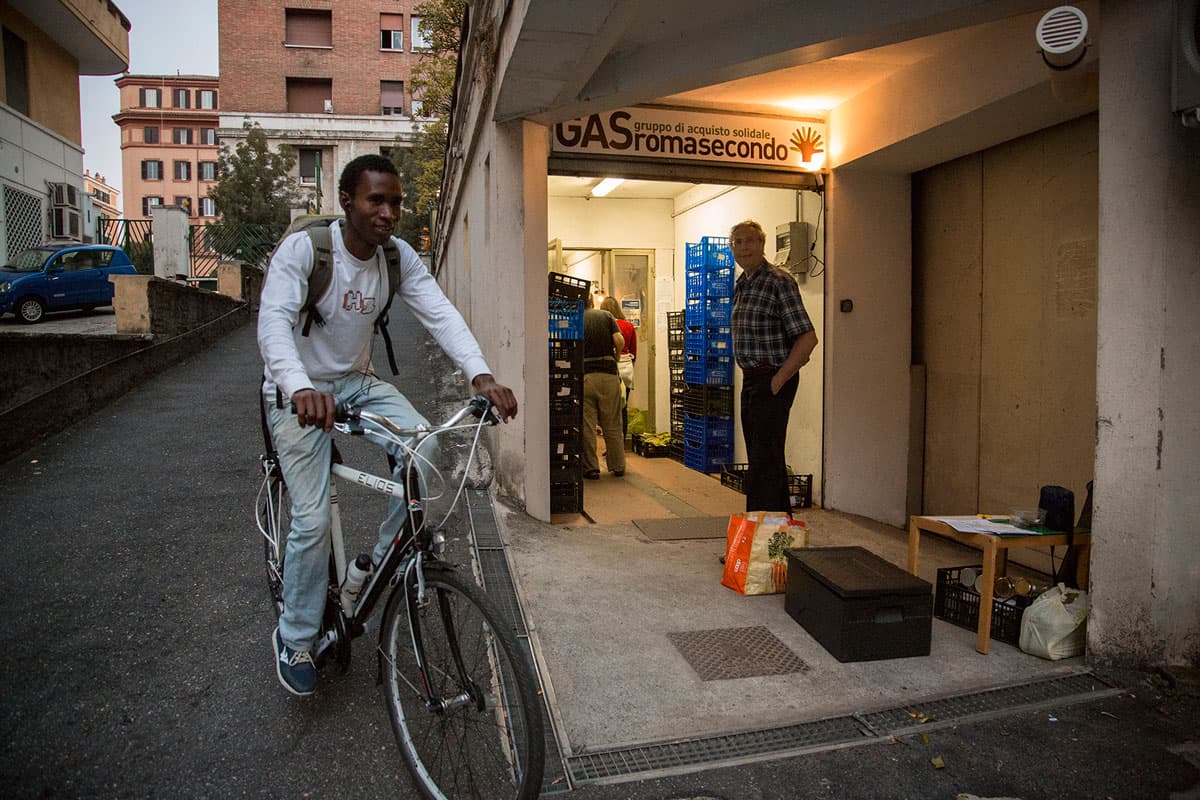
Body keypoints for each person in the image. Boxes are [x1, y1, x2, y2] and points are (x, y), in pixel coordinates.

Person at [257, 154, 517, 697]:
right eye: (376, 200)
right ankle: (296, 636)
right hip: (296, 389)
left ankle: (375, 567)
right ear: (347, 201)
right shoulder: (306, 250)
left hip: (354, 382)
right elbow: (274, 324)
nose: (388, 212)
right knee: (308, 518)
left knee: (422, 455)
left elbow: (440, 313)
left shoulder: (396, 259)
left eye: (396, 202)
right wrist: (300, 386)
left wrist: (482, 376)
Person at [729, 220, 817, 513]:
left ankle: (761, 535)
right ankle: (774, 532)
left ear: (762, 244)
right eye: (738, 243)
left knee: (764, 461)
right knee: (762, 459)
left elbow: (807, 338)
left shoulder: (778, 281)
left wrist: (777, 381)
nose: (744, 248)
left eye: (750, 241)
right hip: (752, 379)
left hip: (770, 378)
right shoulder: (743, 284)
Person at [581, 301, 625, 479]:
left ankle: (591, 468)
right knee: (612, 424)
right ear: (592, 302)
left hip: (585, 377)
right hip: (608, 374)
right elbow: (619, 340)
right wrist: (617, 355)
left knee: (587, 426)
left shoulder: (575, 318)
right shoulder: (606, 316)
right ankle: (618, 465)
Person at [600, 295, 636, 438]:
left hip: (610, 367)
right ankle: (621, 441)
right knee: (623, 407)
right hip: (627, 367)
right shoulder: (629, 326)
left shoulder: (605, 324)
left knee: (609, 408)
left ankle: (612, 443)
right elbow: (634, 351)